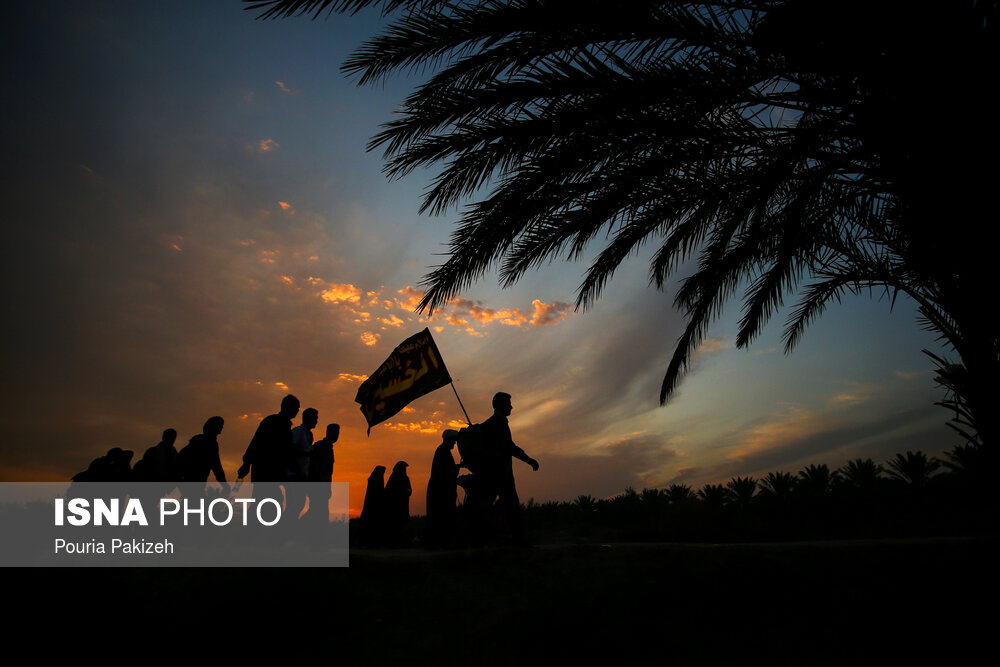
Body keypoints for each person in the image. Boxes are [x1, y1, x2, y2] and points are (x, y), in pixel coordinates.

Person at [479, 392, 539, 546]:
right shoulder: (498, 423)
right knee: (510, 507)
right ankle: (517, 540)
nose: (511, 406)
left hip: (495, 474)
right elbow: (509, 447)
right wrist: (529, 460)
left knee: (488, 507)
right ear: (501, 405)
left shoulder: (489, 424)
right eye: (508, 403)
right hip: (499, 475)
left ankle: (481, 539)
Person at [238, 394, 299, 507]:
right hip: (265, 473)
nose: (297, 411)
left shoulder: (284, 427)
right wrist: (246, 463)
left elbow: (286, 454)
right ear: (286, 407)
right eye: (296, 408)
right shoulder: (272, 422)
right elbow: (256, 443)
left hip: (271, 475)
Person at [424, 429, 461, 549]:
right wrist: (457, 468)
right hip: (440, 492)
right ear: (448, 440)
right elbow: (445, 472)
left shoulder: (443, 451)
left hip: (441, 490)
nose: (454, 444)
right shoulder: (442, 452)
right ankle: (439, 543)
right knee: (441, 517)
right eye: (453, 441)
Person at [175, 416, 229, 496]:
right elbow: (216, 465)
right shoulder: (209, 443)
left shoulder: (197, 442)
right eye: (220, 425)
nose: (222, 427)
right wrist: (224, 484)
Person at [286, 407, 318, 518]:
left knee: (298, 504)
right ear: (307, 418)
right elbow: (290, 450)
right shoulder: (298, 431)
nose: (316, 421)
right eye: (314, 418)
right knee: (294, 505)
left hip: (302, 476)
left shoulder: (309, 435)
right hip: (294, 475)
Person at [383, 461, 412, 547]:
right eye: (403, 468)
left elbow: (409, 489)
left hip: (402, 506)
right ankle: (393, 543)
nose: (404, 470)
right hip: (394, 507)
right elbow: (389, 492)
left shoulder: (406, 478)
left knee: (401, 525)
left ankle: (400, 543)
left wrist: (408, 491)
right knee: (394, 525)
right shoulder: (394, 478)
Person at [359, 465, 386, 546]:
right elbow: (377, 493)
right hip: (372, 507)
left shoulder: (375, 479)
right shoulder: (375, 480)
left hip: (374, 507)